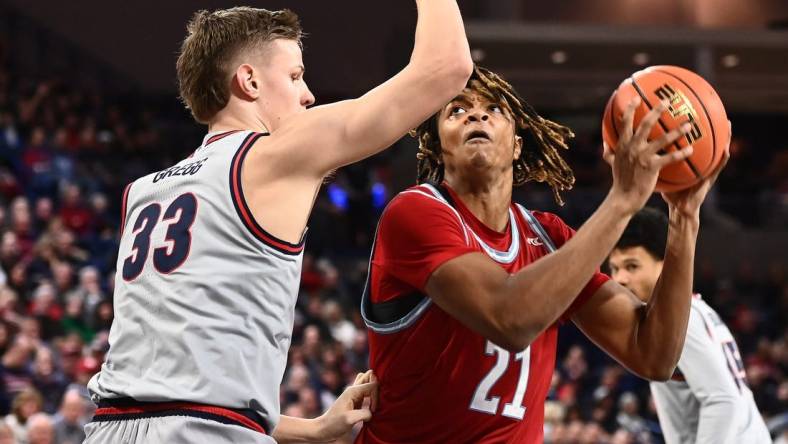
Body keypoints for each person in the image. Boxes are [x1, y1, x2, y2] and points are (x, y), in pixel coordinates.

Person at [84, 3, 473, 444]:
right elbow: (447, 68)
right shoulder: (270, 155)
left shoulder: (143, 191)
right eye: (294, 76)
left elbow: (176, 390)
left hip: (109, 429)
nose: (307, 94)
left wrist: (310, 429)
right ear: (249, 81)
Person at [357, 66, 729, 443]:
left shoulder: (547, 236)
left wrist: (684, 220)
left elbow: (653, 356)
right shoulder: (414, 213)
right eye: (456, 110)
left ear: (517, 145)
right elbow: (510, 320)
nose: (476, 114)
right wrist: (621, 202)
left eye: (495, 109)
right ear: (437, 145)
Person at [608, 207, 772, 443]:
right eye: (614, 268)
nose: (620, 279)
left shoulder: (682, 319)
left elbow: (723, 400)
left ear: (667, 265)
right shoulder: (692, 309)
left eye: (632, 266)